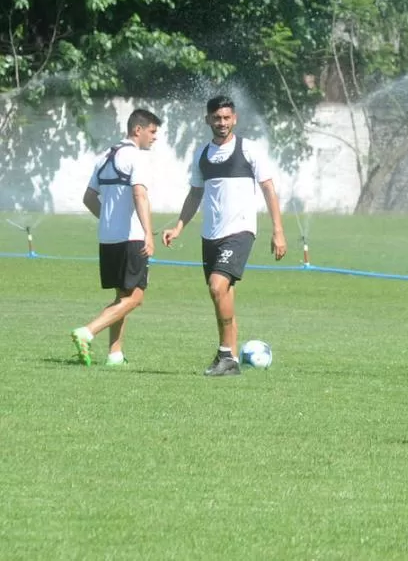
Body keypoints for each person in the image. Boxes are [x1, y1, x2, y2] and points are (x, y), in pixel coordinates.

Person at [162, 96, 287, 377]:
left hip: (240, 231)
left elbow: (268, 188)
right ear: (207, 119)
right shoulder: (202, 154)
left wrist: (278, 231)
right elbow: (195, 193)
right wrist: (179, 226)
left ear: (235, 119)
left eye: (226, 118)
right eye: (216, 118)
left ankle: (224, 354)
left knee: (217, 286)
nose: (222, 123)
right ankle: (229, 360)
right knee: (222, 294)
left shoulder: (248, 150)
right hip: (211, 235)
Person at [71, 109, 161, 366]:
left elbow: (88, 198)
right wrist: (147, 233)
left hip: (108, 239)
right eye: (152, 132)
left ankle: (115, 354)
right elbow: (140, 195)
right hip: (131, 238)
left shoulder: (104, 157)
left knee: (122, 296)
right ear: (138, 130)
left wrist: (109, 220)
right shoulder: (136, 157)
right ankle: (87, 332)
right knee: (135, 297)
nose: (154, 138)